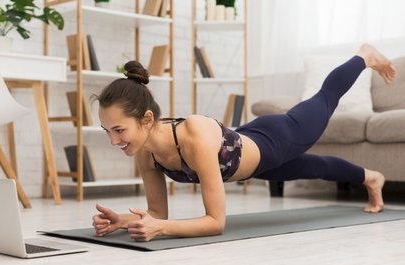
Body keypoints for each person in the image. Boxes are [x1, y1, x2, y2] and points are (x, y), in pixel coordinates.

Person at [92, 44, 396, 242]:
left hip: (278, 137)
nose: (113, 140)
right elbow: (157, 213)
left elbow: (215, 222)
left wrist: (162, 229)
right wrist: (122, 220)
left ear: (146, 119)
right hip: (255, 158)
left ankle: (364, 56)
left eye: (119, 130)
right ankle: (372, 177)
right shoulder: (146, 153)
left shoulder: (192, 135)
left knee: (325, 98)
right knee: (315, 166)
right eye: (107, 131)